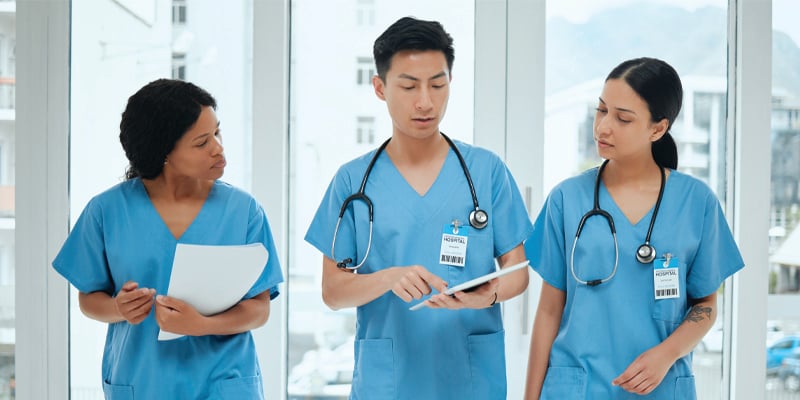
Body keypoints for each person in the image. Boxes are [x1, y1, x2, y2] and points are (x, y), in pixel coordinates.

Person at [304, 16, 533, 399]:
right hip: (388, 382)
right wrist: (388, 278)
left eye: (437, 84)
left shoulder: (486, 171)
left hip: (470, 380)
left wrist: (487, 295)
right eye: (409, 86)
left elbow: (518, 272)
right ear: (379, 88)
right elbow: (333, 292)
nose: (425, 101)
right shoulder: (352, 181)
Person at [523, 57, 745, 399]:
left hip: (660, 387)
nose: (603, 127)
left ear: (657, 129)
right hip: (577, 388)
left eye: (622, 118)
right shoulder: (566, 199)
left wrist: (667, 354)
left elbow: (706, 305)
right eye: (601, 111)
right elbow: (550, 309)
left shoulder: (696, 202)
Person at [51, 79, 284, 399]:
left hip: (224, 383)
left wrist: (201, 325)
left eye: (217, 133)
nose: (218, 148)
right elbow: (89, 300)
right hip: (142, 381)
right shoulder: (107, 211)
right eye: (202, 142)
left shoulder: (244, 212)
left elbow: (259, 309)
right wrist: (120, 308)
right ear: (163, 152)